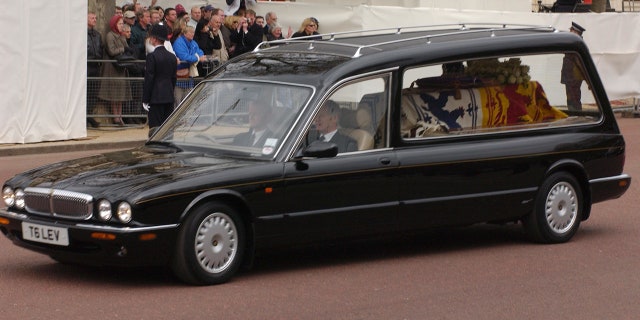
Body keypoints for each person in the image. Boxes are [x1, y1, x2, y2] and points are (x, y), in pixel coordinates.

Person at [142, 23, 177, 136]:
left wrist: (146, 98)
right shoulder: (172, 57)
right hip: (169, 95)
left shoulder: (152, 56)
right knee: (167, 127)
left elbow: (149, 79)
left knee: (155, 128)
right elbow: (173, 78)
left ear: (155, 39)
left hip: (156, 97)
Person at [98, 14, 133, 126]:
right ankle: (115, 117)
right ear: (114, 24)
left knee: (121, 94)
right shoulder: (110, 35)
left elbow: (127, 48)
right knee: (114, 94)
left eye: (123, 23)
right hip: (113, 67)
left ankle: (120, 116)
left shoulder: (121, 36)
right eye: (120, 23)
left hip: (121, 67)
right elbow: (112, 51)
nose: (122, 26)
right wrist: (123, 48)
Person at [173, 25, 206, 106]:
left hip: (189, 75)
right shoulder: (179, 42)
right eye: (190, 32)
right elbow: (184, 57)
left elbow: (200, 51)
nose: (192, 34)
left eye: (193, 32)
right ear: (184, 33)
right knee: (178, 101)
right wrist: (197, 58)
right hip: (178, 76)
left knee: (188, 101)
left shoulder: (193, 42)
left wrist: (197, 56)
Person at [561, 22, 586, 111]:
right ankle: (575, 114)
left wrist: (586, 77)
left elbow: (579, 62)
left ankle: (577, 116)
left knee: (573, 98)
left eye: (571, 30)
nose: (570, 31)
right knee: (571, 97)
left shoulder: (576, 44)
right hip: (570, 76)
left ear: (576, 32)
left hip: (573, 77)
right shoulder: (574, 43)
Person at [87, 12, 102, 128]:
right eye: (92, 18)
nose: (95, 20)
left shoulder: (97, 35)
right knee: (86, 92)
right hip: (87, 65)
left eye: (95, 18)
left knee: (93, 93)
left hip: (96, 65)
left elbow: (100, 48)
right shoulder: (83, 33)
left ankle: (89, 114)